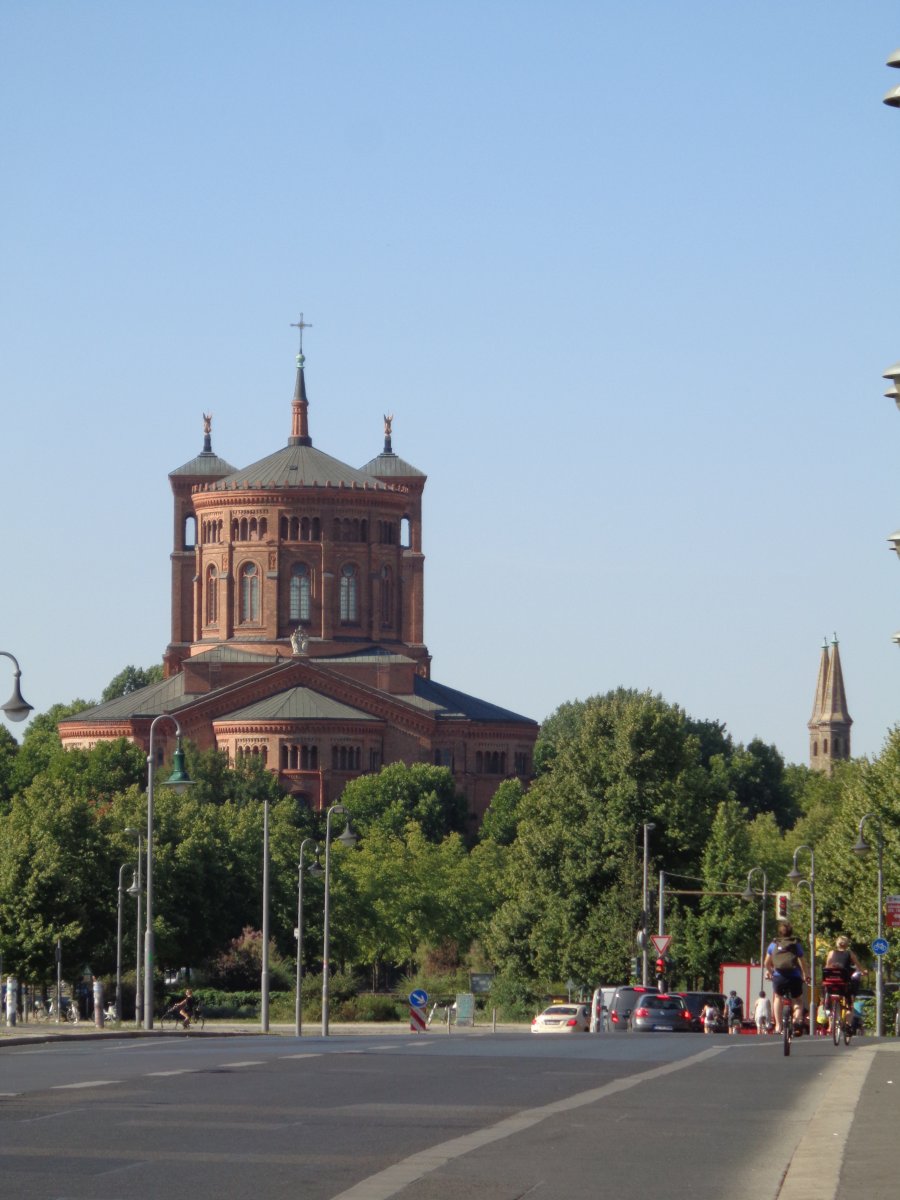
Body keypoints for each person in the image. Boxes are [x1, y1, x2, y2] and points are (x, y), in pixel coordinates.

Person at [763, 920, 809, 1034]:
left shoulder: (773, 944)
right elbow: (802, 962)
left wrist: (771, 972)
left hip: (779, 977)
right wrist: (805, 974)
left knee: (778, 998)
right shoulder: (795, 944)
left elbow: (766, 963)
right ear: (791, 932)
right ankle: (797, 1020)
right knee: (798, 1000)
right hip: (794, 977)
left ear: (779, 933)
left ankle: (778, 1026)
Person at [822, 935, 866, 1008]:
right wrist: (863, 972)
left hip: (831, 980)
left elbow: (827, 966)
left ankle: (826, 1004)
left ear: (837, 943)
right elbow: (858, 965)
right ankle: (849, 1005)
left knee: (825, 988)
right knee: (852, 989)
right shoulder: (849, 953)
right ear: (847, 944)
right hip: (843, 981)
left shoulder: (831, 953)